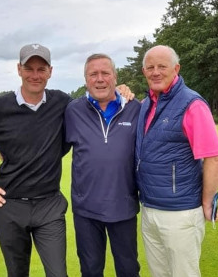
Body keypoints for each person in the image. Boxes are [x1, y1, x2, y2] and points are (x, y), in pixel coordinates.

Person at [0, 43, 71, 277]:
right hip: (10, 206)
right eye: (29, 68)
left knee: (58, 274)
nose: (35, 75)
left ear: (50, 71)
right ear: (19, 69)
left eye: (41, 69)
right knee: (17, 273)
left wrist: (120, 89)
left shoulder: (62, 102)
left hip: (49, 205)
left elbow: (93, 108)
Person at [135, 45, 218, 277]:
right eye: (150, 67)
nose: (155, 72)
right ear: (144, 71)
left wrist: (206, 202)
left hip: (181, 213)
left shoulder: (191, 104)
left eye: (162, 66)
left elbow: (215, 158)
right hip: (149, 209)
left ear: (176, 69)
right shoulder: (146, 104)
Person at [64, 54, 141, 277]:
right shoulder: (73, 110)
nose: (99, 79)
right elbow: (50, 144)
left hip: (123, 206)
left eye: (105, 73)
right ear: (85, 79)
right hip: (86, 209)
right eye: (93, 74)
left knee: (128, 270)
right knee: (90, 270)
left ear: (115, 77)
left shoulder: (135, 108)